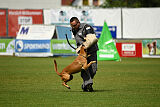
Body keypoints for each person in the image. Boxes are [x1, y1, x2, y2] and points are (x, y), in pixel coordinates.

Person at [70, 17, 98, 92]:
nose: (73, 27)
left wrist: (83, 46)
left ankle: (85, 84)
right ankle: (88, 84)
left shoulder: (87, 27)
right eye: (72, 26)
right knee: (84, 68)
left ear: (78, 23)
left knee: (93, 70)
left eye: (74, 25)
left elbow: (92, 39)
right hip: (82, 54)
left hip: (91, 51)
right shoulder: (73, 29)